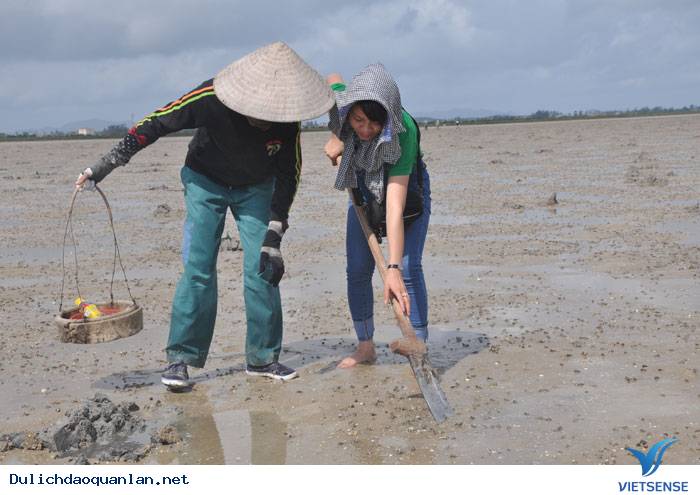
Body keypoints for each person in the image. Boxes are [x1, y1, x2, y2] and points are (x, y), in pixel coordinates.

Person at [75, 42, 334, 389]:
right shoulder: (212, 95)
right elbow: (156, 123)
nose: (267, 118)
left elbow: (289, 174)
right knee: (198, 268)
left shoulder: (286, 120)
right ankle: (180, 358)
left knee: (263, 266)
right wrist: (105, 165)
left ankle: (263, 357)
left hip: (257, 188)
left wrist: (275, 233)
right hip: (205, 181)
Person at [323, 64, 431, 368]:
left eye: (374, 123)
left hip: (406, 190)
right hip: (363, 189)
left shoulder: (403, 131)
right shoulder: (344, 108)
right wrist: (338, 135)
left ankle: (419, 349)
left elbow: (395, 207)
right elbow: (333, 78)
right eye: (358, 121)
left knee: (408, 268)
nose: (366, 130)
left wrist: (393, 267)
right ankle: (366, 346)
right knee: (357, 268)